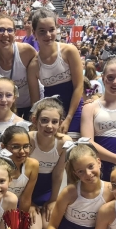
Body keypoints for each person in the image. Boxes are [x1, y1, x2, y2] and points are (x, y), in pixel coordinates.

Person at [29, 9, 83, 137]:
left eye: (51, 30)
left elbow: (79, 86)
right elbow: (36, 103)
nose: (48, 35)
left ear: (57, 29)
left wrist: (69, 118)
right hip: (51, 115)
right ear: (34, 33)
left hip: (74, 109)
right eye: (42, 31)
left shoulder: (69, 51)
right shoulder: (33, 66)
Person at [28, 98, 69, 229]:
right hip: (28, 191)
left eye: (54, 122)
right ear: (35, 120)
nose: (49, 126)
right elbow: (20, 173)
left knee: (49, 228)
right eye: (44, 120)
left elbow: (58, 174)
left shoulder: (64, 142)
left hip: (47, 191)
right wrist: (28, 202)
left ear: (61, 122)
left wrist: (53, 200)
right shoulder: (28, 140)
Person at [0, 15, 39, 119]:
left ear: (15, 33)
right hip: (6, 107)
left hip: (31, 104)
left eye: (10, 30)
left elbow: (38, 82)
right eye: (0, 30)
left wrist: (35, 112)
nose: (6, 34)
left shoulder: (26, 51)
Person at [0, 126, 39, 229]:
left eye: (26, 146)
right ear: (3, 147)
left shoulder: (33, 165)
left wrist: (20, 228)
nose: (22, 151)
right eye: (15, 147)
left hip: (14, 211)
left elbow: (26, 199)